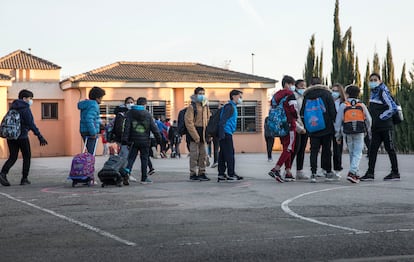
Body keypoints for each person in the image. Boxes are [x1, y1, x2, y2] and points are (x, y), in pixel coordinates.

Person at [0, 89, 48, 186]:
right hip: (22, 136)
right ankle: (24, 178)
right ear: (24, 98)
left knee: (13, 157)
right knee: (27, 157)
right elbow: (31, 124)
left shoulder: (12, 107)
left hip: (11, 137)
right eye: (30, 98)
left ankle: (3, 174)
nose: (31, 100)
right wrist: (39, 136)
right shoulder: (25, 109)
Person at [361, 73, 400, 181]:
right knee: (372, 150)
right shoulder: (373, 93)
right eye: (371, 80)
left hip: (386, 127)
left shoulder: (383, 91)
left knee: (390, 149)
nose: (373, 82)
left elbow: (392, 107)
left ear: (380, 81)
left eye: (375, 80)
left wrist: (382, 117)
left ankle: (395, 172)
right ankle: (370, 173)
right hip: (376, 128)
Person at [300, 80, 338, 183]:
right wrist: (335, 124)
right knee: (326, 150)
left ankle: (313, 173)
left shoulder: (307, 95)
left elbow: (302, 112)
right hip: (326, 127)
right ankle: (328, 172)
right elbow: (332, 110)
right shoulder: (327, 94)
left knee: (314, 151)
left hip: (312, 127)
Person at [334, 85, 372, 183]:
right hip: (360, 131)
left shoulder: (344, 105)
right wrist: (367, 129)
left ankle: (355, 173)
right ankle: (352, 171)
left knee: (352, 152)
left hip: (347, 131)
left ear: (347, 94)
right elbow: (369, 119)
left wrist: (338, 134)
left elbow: (338, 121)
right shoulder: (361, 105)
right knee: (358, 153)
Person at [122, 97, 161, 184]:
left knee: (131, 158)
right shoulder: (147, 114)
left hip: (133, 141)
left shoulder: (130, 113)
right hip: (145, 141)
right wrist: (159, 139)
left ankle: (127, 172)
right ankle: (144, 178)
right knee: (144, 159)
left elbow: (127, 127)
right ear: (144, 104)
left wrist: (125, 139)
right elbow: (154, 128)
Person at [268, 75, 298, 182]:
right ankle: (276, 168)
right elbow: (293, 109)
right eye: (292, 84)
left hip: (279, 125)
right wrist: (296, 117)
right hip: (289, 123)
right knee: (289, 148)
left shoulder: (275, 95)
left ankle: (288, 172)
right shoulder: (290, 94)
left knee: (286, 147)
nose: (293, 87)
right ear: (287, 84)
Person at [185, 87, 211, 181]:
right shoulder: (192, 107)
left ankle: (202, 172)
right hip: (194, 133)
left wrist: (209, 134)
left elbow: (209, 119)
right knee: (194, 155)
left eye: (203, 93)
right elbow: (189, 122)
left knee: (203, 155)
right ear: (195, 95)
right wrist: (195, 136)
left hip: (204, 133)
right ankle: (193, 174)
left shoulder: (206, 106)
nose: (202, 95)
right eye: (200, 93)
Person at [217, 89, 243, 182]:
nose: (241, 99)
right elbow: (222, 121)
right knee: (229, 154)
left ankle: (221, 174)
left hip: (226, 132)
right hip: (226, 132)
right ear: (234, 96)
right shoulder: (229, 107)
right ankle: (231, 174)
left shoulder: (232, 106)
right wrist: (222, 133)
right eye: (240, 96)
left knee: (223, 154)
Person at [78, 86, 106, 154]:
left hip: (84, 130)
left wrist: (100, 122)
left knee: (89, 152)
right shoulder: (94, 105)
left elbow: (91, 117)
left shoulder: (87, 104)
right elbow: (89, 118)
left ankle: (88, 164)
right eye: (101, 98)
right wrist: (93, 132)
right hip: (90, 131)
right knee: (91, 153)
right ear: (97, 98)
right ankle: (89, 164)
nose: (101, 100)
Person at [290, 79, 308, 179]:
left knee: (302, 148)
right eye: (301, 86)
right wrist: (298, 127)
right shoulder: (293, 97)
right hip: (296, 125)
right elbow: (294, 113)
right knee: (295, 148)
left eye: (304, 86)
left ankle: (299, 171)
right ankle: (288, 169)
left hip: (305, 124)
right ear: (296, 86)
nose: (303, 88)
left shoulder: (304, 97)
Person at [331, 83, 346, 176]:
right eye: (333, 91)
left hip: (339, 129)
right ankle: (326, 168)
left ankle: (337, 169)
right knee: (327, 149)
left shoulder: (343, 103)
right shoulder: (329, 101)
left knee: (337, 150)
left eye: (336, 91)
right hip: (329, 127)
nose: (334, 93)